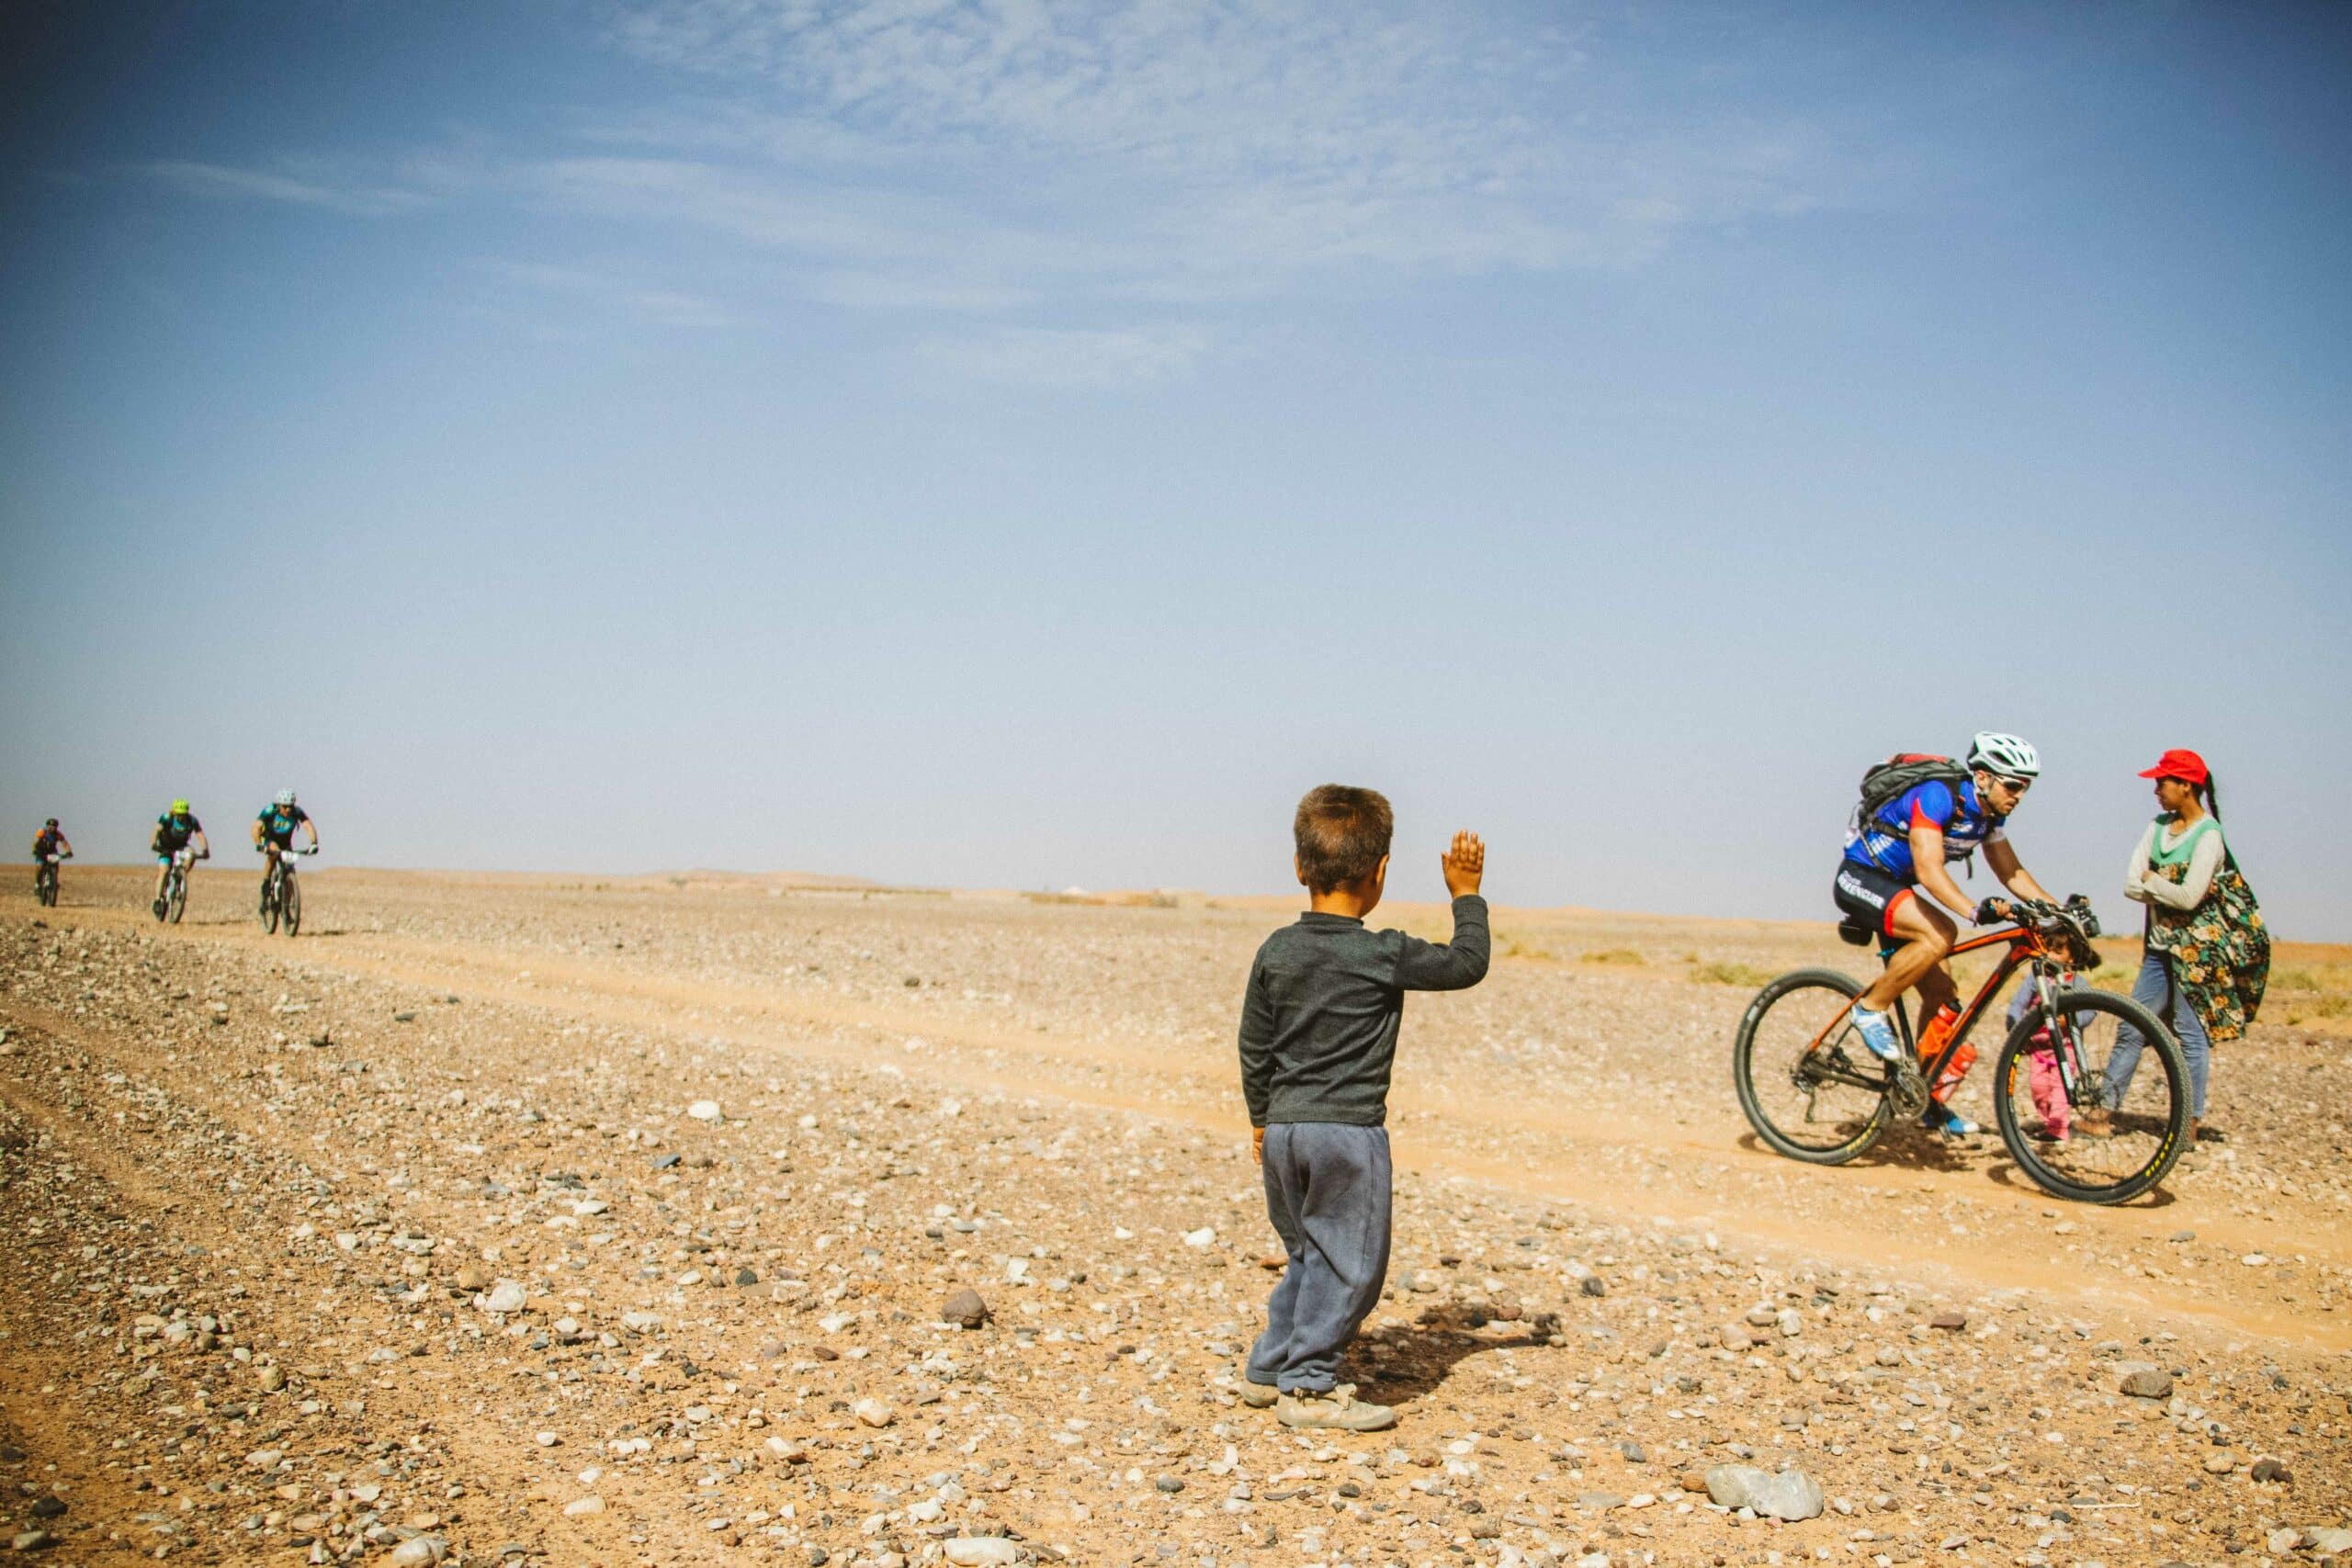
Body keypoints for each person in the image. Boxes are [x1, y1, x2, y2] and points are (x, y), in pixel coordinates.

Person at [1235, 784, 1489, 1432]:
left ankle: (1270, 1366)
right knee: (1351, 1265)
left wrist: (1262, 1116)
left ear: (1299, 866)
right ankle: (1311, 1386)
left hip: (1286, 1132)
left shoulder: (1276, 950)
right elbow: (1466, 963)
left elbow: (1254, 1041)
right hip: (1347, 1135)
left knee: (1308, 1252)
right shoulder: (1381, 953)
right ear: (1379, 873)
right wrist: (1465, 894)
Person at [1832, 732, 2061, 1136]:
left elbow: (2011, 871)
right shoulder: (1938, 795)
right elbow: (1928, 868)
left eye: (2026, 788)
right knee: (1942, 933)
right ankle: (1869, 1008)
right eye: (2014, 785)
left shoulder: (1990, 815)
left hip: (1897, 890)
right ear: (1985, 778)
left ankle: (1922, 1097)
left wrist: (2057, 910)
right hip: (1862, 877)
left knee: (1942, 999)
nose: (2019, 795)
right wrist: (1973, 910)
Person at [2080, 749, 2268, 1145]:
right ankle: (2101, 1112)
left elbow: (2188, 897)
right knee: (2132, 1025)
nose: (2156, 789)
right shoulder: (2158, 827)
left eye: (2162, 781)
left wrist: (2153, 879)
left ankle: (2188, 1122)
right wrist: (2163, 885)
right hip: (2160, 950)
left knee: (2190, 1034)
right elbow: (2133, 885)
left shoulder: (2209, 835)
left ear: (2187, 786)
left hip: (2198, 956)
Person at [152, 800, 209, 915]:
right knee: (164, 870)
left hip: (181, 846)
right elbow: (157, 830)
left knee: (191, 854)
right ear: (174, 812)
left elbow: (200, 834)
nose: (181, 817)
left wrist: (205, 849)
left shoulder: (192, 820)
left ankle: (180, 875)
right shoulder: (167, 818)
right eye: (179, 814)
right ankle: (158, 900)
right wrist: (154, 843)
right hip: (166, 847)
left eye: (183, 814)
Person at [253, 788, 319, 861]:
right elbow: (256, 827)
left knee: (289, 862)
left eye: (291, 806)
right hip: (269, 839)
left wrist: (313, 843)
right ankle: (266, 872)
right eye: (285, 806)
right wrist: (258, 844)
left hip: (285, 842)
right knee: (274, 852)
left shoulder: (296, 811)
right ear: (279, 805)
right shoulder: (270, 810)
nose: (288, 809)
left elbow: (308, 826)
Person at [31, 818, 73, 892]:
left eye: (55, 827)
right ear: (47, 826)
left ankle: (54, 880)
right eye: (51, 826)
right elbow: (35, 842)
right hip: (41, 851)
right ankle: (37, 884)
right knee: (40, 867)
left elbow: (65, 843)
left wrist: (69, 852)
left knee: (55, 865)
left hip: (52, 851)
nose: (53, 828)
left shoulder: (58, 834)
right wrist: (34, 850)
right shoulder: (42, 832)